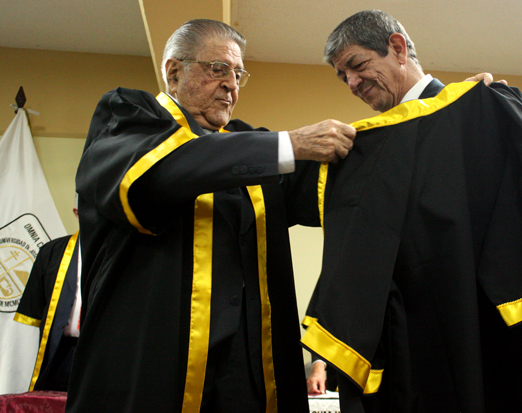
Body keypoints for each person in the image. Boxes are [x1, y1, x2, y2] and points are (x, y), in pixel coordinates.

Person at [301, 10, 522, 413]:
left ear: (397, 48)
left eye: (357, 65)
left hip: (504, 339)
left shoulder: (485, 110)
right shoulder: (370, 157)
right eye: (341, 75)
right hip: (422, 352)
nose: (351, 82)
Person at [65, 19, 355, 413]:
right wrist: (290, 143)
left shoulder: (246, 147)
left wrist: (443, 115)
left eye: (238, 74)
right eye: (218, 69)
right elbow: (159, 176)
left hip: (250, 380)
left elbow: (347, 184)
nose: (232, 86)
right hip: (153, 369)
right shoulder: (127, 121)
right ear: (173, 71)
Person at [14, 205, 81, 392]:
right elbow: (34, 312)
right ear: (76, 213)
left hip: (100, 352)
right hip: (61, 351)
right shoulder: (51, 252)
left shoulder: (120, 254)